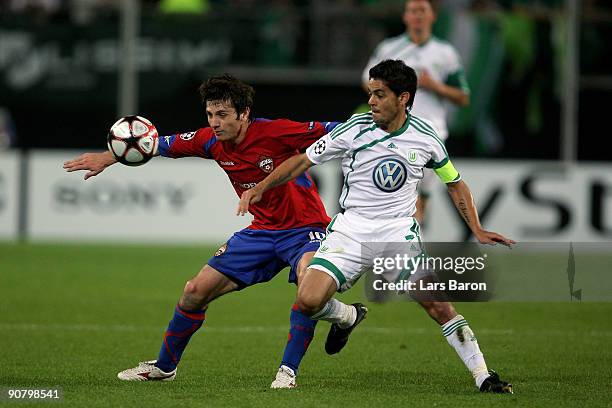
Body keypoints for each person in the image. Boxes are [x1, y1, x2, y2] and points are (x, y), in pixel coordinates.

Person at [63, 74, 362, 389]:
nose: (215, 123)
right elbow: (159, 144)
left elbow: (336, 130)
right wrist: (110, 157)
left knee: (307, 290)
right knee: (194, 292)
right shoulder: (209, 140)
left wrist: (379, 131)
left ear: (244, 114)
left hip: (305, 229)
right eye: (210, 115)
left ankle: (287, 372)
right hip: (261, 232)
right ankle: (164, 367)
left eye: (223, 115)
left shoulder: (276, 131)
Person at [238, 60, 514, 393]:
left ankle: (483, 375)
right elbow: (302, 160)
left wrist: (478, 228)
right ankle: (346, 317)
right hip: (351, 229)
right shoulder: (354, 127)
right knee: (308, 300)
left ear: (403, 98)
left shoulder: (426, 137)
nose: (371, 101)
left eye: (380, 94)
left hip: (397, 232)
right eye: (371, 93)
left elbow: (454, 183)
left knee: (437, 304)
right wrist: (259, 188)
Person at [362, 0, 470, 225]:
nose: (417, 15)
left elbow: (463, 96)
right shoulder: (389, 49)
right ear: (405, 17)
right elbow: (367, 81)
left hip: (430, 131)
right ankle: (398, 247)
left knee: (418, 194)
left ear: (433, 16)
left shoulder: (445, 52)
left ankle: (408, 248)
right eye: (413, 11)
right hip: (394, 130)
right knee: (391, 190)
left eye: (423, 11)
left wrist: (435, 85)